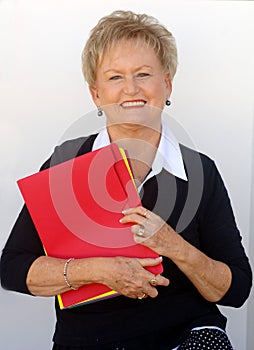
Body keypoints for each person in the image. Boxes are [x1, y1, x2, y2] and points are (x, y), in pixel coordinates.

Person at [0, 10, 252, 350]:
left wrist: (171, 244)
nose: (130, 88)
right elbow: (14, 269)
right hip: (91, 340)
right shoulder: (65, 163)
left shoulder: (200, 172)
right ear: (96, 95)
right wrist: (97, 270)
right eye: (115, 77)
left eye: (144, 74)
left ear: (167, 84)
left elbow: (236, 290)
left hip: (186, 336)